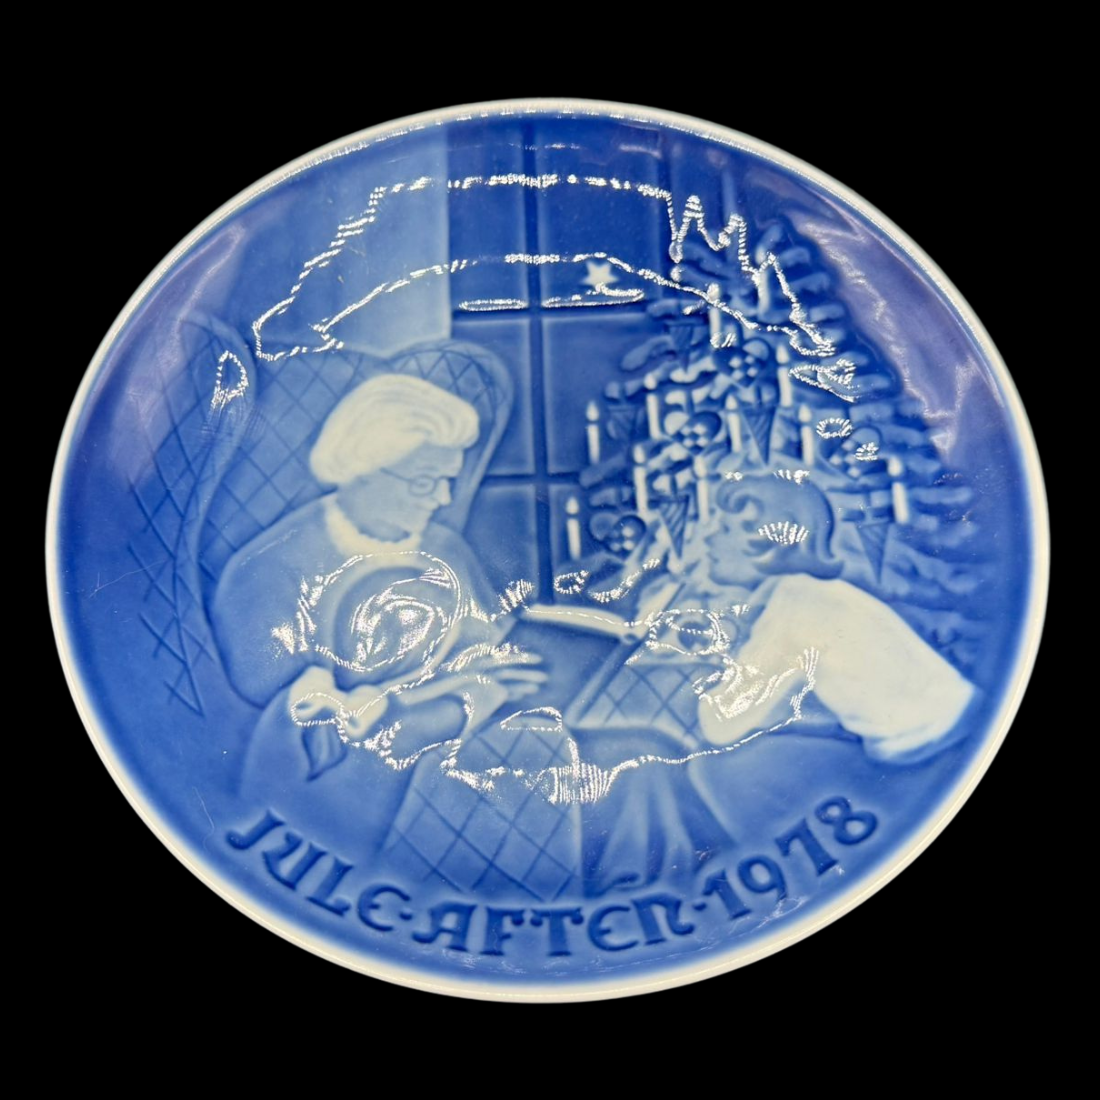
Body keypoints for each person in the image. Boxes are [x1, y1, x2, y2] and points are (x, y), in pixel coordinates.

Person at [211, 367, 542, 854]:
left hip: (460, 757)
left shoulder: (446, 549)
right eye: (425, 481)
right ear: (363, 468)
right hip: (339, 795)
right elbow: (290, 711)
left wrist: (502, 671)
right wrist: (438, 705)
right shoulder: (269, 569)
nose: (443, 498)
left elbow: (484, 649)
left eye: (449, 480)